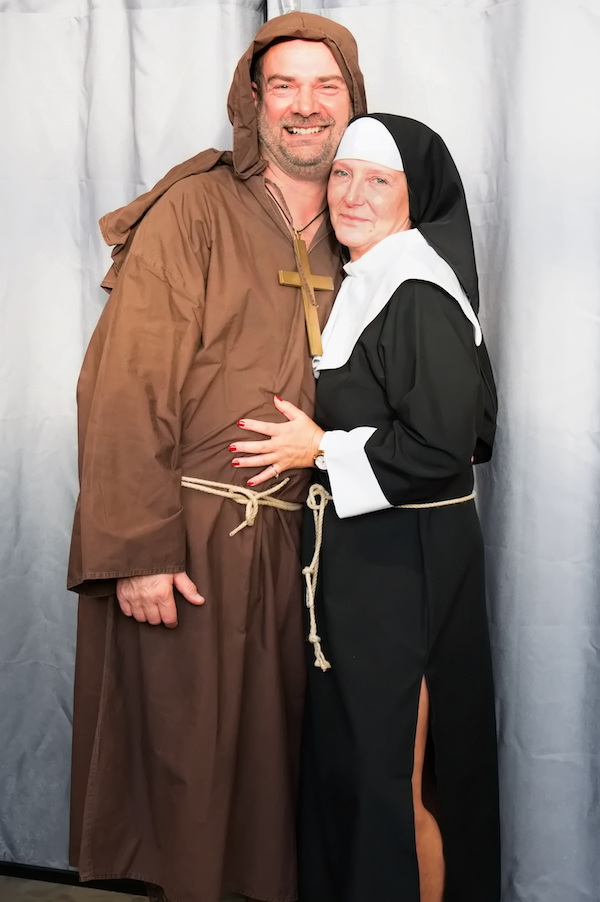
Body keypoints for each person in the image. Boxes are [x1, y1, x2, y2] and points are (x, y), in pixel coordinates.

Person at [67, 14, 366, 902]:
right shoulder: (196, 209)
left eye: (326, 86)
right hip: (196, 540)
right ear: (253, 102)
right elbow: (124, 385)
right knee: (190, 776)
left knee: (286, 784)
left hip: (314, 548)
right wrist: (139, 551)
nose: (306, 106)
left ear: (354, 101)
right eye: (284, 86)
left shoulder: (365, 223)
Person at [231, 114, 500, 902]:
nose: (351, 194)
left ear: (417, 199)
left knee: (391, 777)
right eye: (342, 175)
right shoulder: (372, 277)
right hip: (366, 564)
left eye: (378, 181)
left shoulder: (416, 291)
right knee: (358, 766)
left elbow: (447, 445)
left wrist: (319, 449)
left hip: (404, 568)